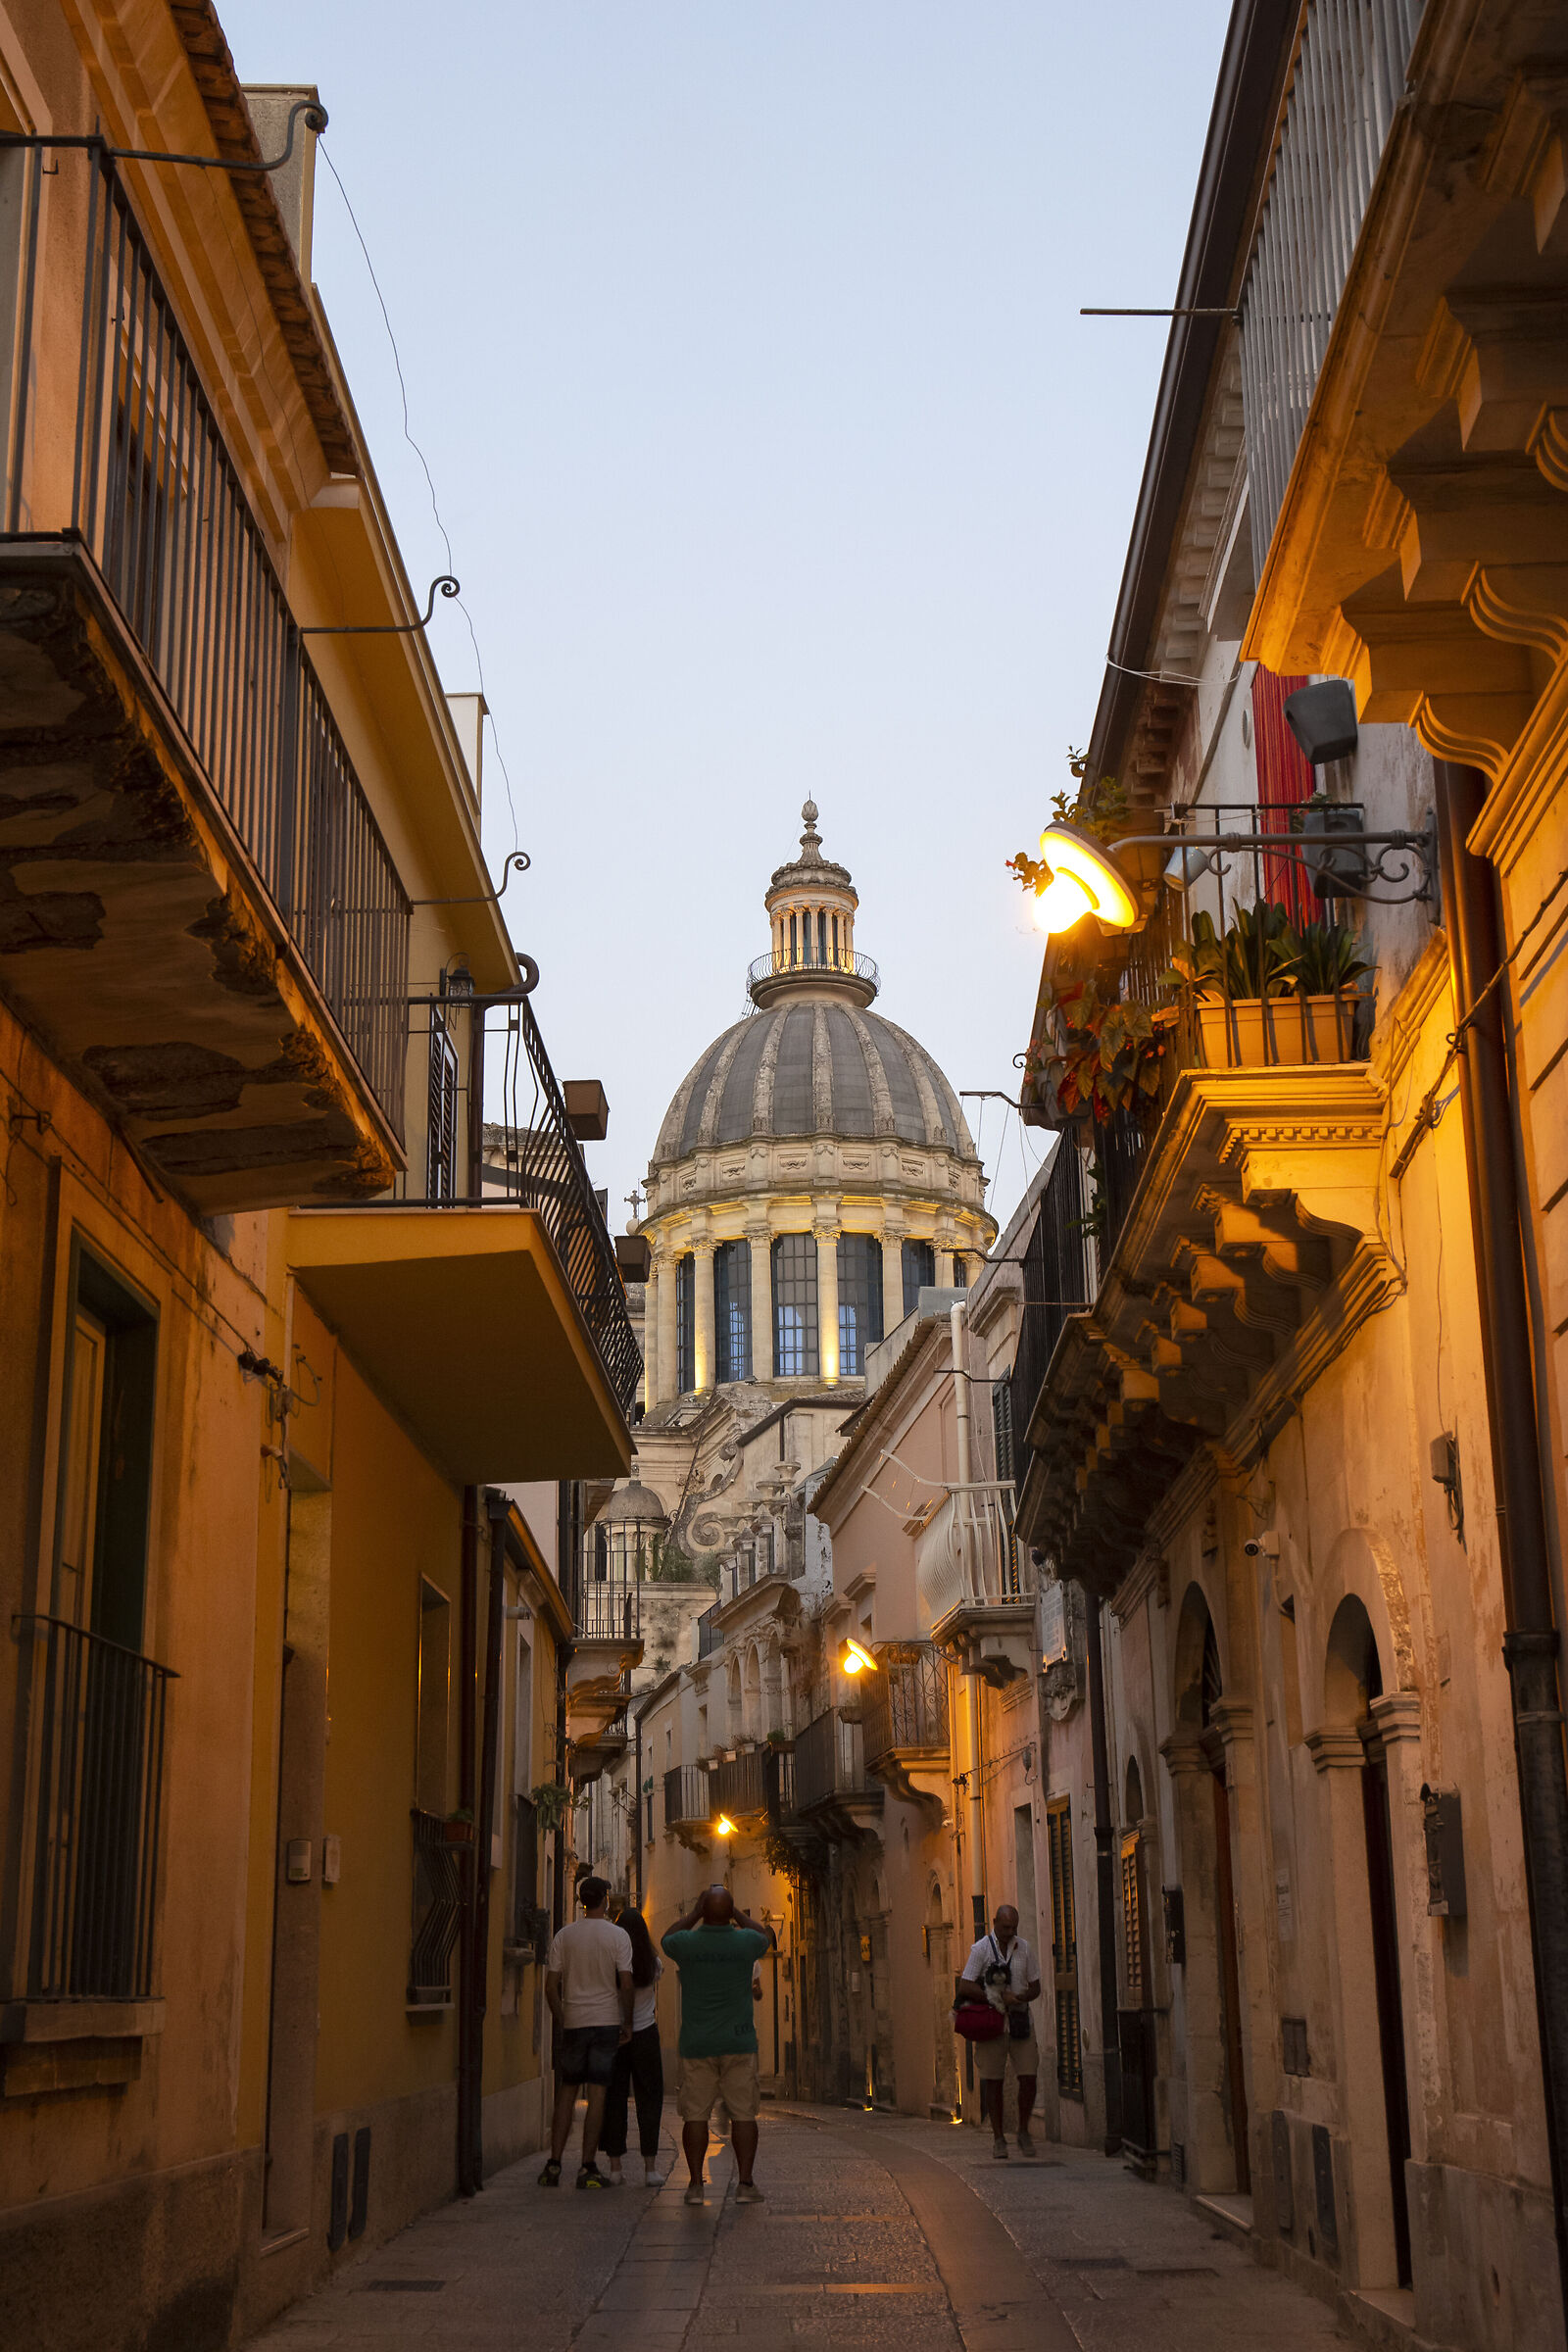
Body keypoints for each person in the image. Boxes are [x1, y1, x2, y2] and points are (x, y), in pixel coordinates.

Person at [662, 1885, 772, 2207]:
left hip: (697, 2042)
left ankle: (696, 2185)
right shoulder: (746, 1942)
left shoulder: (687, 1944)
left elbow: (667, 1937)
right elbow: (762, 1933)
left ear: (703, 1911)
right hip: (739, 2040)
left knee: (695, 2116)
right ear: (731, 1913)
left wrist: (695, 1913)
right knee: (743, 2116)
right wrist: (736, 1912)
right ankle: (746, 2184)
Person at [539, 1876, 634, 2189]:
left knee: (567, 2092)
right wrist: (627, 2022)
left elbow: (551, 1987)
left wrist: (563, 2017)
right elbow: (626, 1983)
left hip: (574, 2023)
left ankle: (553, 2164)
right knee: (597, 2095)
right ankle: (587, 2166)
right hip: (606, 2022)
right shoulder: (618, 1936)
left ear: (582, 1900)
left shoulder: (564, 1937)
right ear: (605, 1899)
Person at [956, 1901, 1042, 2159]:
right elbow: (965, 1985)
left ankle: (1023, 2131)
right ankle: (998, 2138)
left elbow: (1036, 1984)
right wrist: (994, 1997)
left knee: (1029, 2076)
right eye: (1005, 1927)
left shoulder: (1024, 1947)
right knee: (993, 2080)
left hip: (1019, 2021)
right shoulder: (981, 1949)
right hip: (992, 2022)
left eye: (1013, 1927)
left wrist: (1024, 1997)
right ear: (995, 1923)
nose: (1009, 1932)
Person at [602, 1903, 666, 2187]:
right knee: (649, 2100)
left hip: (615, 2036)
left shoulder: (609, 1965)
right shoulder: (654, 1964)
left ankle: (615, 2168)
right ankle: (650, 2167)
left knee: (614, 2100)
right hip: (645, 2034)